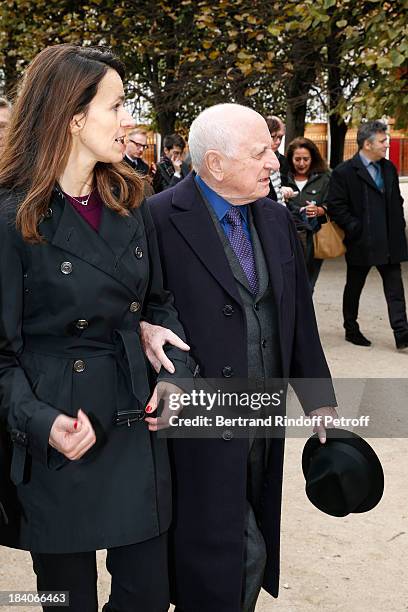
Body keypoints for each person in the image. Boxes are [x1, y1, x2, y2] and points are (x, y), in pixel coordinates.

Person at [0, 43, 194, 612]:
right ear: (72, 116)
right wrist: (41, 422)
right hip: (59, 430)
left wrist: (172, 374)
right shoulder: (11, 217)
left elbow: (160, 304)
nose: (128, 120)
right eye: (116, 106)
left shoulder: (131, 198)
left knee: (148, 595)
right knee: (66, 601)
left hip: (133, 416)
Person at [143, 104, 338, 612]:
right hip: (199, 422)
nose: (274, 161)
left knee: (247, 534)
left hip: (262, 417)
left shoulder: (275, 218)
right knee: (228, 549)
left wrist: (319, 400)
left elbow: (298, 318)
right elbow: (145, 311)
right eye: (261, 153)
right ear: (214, 163)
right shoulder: (158, 218)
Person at [327, 120, 408, 349]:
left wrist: (398, 223)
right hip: (361, 242)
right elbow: (336, 205)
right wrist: (355, 228)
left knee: (395, 289)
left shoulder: (389, 168)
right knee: (354, 286)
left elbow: (397, 200)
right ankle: (351, 329)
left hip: (390, 241)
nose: (386, 145)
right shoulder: (345, 172)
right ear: (367, 144)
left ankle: (402, 334)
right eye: (382, 141)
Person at [285, 137, 331, 290]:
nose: (302, 163)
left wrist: (320, 210)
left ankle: (304, 313)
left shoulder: (324, 178)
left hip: (314, 239)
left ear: (313, 158)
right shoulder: (282, 177)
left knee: (307, 286)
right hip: (287, 237)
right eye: (297, 159)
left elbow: (334, 203)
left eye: (306, 159)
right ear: (291, 159)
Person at [264, 115, 293, 205]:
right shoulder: (252, 161)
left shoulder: (283, 160)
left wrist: (287, 190)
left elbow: (291, 183)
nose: (278, 142)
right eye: (273, 137)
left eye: (280, 137)